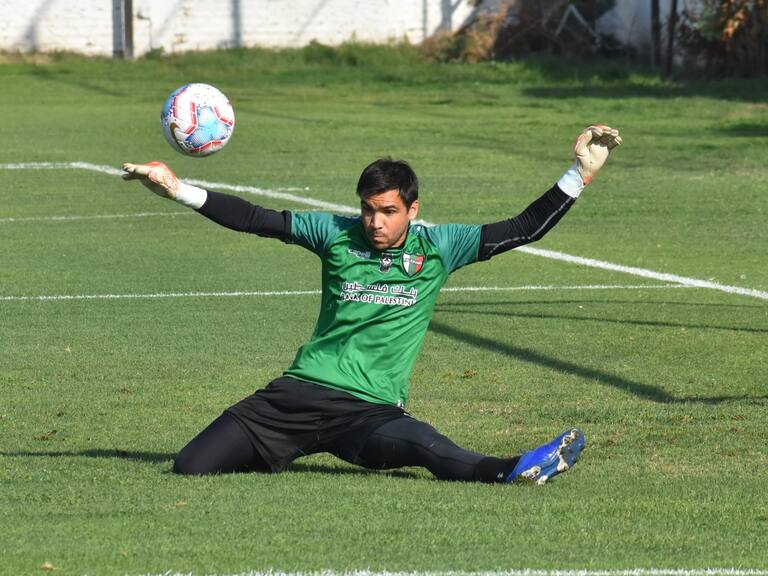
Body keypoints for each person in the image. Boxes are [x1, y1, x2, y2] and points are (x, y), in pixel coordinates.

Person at [122, 124, 622, 485]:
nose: (375, 222)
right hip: (294, 396)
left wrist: (580, 172)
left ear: (412, 210)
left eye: (388, 212)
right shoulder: (334, 234)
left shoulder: (439, 247)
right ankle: (288, 446)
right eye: (368, 210)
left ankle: (516, 468)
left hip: (368, 411)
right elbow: (256, 218)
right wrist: (177, 189)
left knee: (431, 451)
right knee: (190, 465)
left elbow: (520, 229)